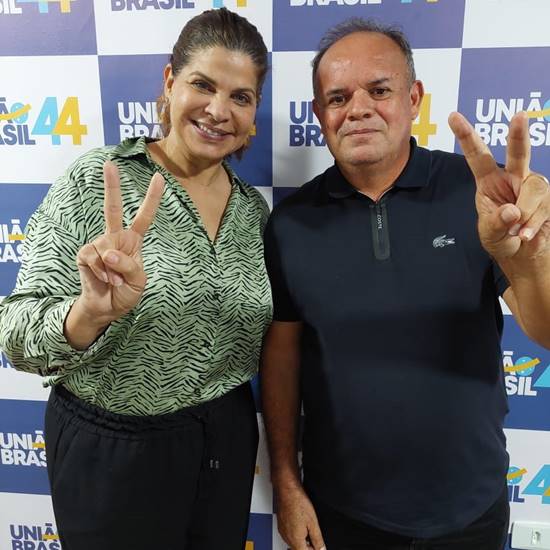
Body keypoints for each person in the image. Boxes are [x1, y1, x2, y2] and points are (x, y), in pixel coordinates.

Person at [261, 17, 550, 550]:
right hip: (342, 514)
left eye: (379, 90)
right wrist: (285, 478)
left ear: (413, 98)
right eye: (338, 98)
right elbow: (282, 356)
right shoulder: (291, 222)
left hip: (470, 509)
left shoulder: (479, 193)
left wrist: (531, 258)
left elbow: (546, 329)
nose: (358, 109)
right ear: (320, 114)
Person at [0, 8, 271, 550]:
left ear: (253, 112)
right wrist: (88, 314)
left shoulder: (253, 212)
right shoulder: (97, 180)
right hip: (114, 451)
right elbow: (15, 334)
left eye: (240, 97)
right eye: (203, 85)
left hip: (226, 440)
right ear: (170, 83)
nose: (219, 111)